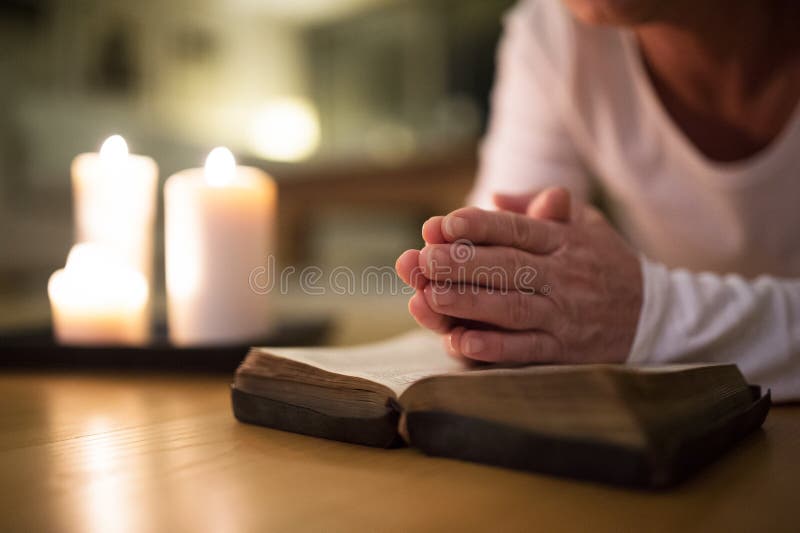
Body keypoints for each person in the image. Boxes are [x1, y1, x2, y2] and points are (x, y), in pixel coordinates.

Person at [395, 0, 800, 401]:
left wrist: (650, 315)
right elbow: (506, 263)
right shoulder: (554, 33)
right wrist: (493, 307)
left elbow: (620, 318)